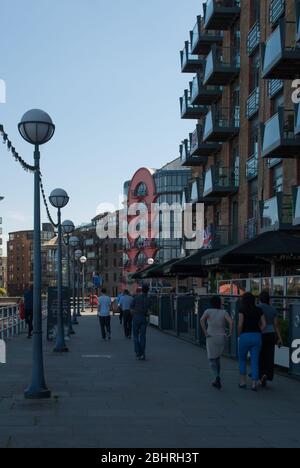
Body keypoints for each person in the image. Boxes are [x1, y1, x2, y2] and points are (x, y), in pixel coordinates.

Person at [200, 296, 234, 390]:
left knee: (211, 359)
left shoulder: (208, 311)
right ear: (220, 303)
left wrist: (205, 332)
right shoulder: (224, 312)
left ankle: (217, 377)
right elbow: (231, 322)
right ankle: (217, 377)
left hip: (211, 336)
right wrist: (230, 332)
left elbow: (201, 320)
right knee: (217, 358)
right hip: (221, 337)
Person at [238, 293, 267, 392]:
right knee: (255, 361)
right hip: (256, 336)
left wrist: (239, 334)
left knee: (242, 359)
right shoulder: (259, 310)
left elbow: (240, 324)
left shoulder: (242, 310)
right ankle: (254, 384)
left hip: (245, 336)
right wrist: (259, 331)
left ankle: (243, 382)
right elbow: (264, 324)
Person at [258, 291, 283, 388]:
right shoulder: (273, 309)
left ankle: (260, 375)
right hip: (271, 334)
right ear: (268, 299)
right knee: (269, 356)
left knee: (260, 355)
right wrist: (280, 338)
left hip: (261, 333)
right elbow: (276, 325)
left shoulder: (258, 307)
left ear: (260, 299)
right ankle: (266, 374)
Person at [131, 285, 152, 360]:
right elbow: (149, 310)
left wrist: (134, 314)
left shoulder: (136, 297)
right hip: (143, 318)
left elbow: (131, 307)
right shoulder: (149, 299)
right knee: (143, 336)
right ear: (148, 291)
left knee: (136, 336)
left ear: (142, 290)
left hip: (136, 317)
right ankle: (142, 353)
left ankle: (137, 353)